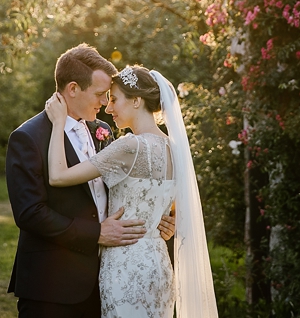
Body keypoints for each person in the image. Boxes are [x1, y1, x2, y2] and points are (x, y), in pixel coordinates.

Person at [5, 45, 174, 318]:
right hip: (52, 286)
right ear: (73, 88)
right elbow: (30, 213)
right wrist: (96, 233)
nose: (104, 105)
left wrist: (161, 218)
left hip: (108, 280)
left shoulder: (103, 131)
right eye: (99, 95)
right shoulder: (29, 136)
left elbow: (129, 189)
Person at [44, 65, 218, 318]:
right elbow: (176, 210)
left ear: (136, 101)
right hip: (158, 264)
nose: (108, 107)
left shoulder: (130, 146)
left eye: (114, 100)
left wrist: (59, 123)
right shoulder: (175, 149)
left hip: (124, 267)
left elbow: (58, 176)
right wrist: (166, 223)